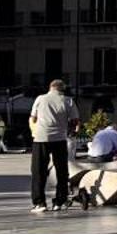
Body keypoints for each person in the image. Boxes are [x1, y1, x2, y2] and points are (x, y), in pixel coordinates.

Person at [28, 77, 79, 214]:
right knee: (62, 170)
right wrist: (69, 131)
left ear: (50, 88)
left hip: (41, 138)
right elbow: (74, 121)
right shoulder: (68, 100)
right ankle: (59, 201)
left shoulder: (40, 99)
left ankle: (39, 203)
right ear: (62, 89)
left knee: (38, 171)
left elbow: (33, 118)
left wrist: (35, 131)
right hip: (60, 139)